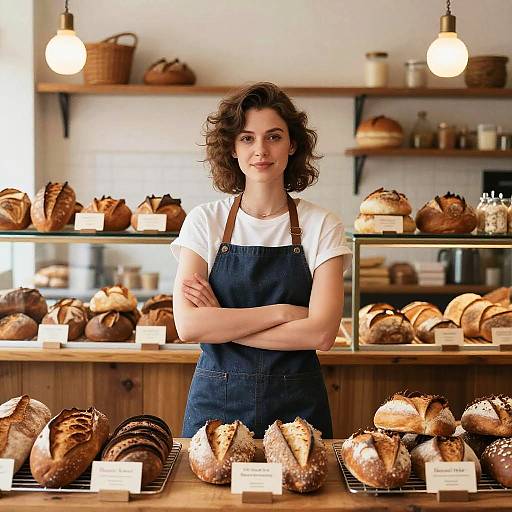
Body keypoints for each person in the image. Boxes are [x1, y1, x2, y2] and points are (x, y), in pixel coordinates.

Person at [171, 82, 351, 439]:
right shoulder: (204, 221)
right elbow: (189, 327)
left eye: (274, 137)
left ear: (293, 144)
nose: (261, 150)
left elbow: (322, 332)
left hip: (297, 409)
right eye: (247, 138)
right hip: (216, 407)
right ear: (233, 148)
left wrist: (222, 322)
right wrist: (283, 312)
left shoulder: (322, 225)